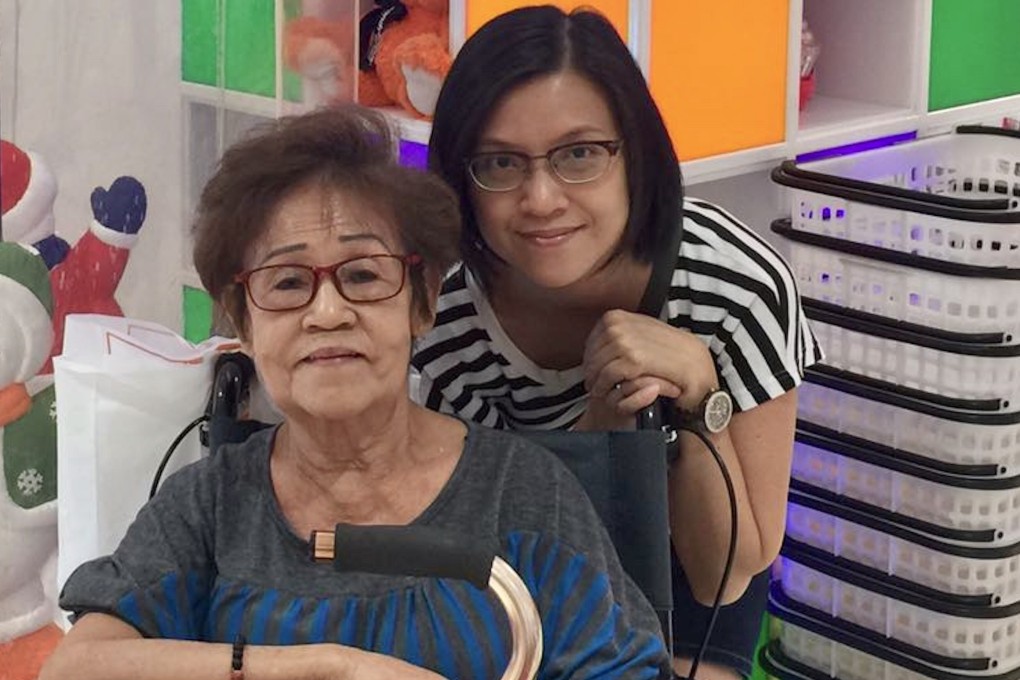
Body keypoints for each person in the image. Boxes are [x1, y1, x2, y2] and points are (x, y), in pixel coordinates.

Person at [40, 106, 671, 680]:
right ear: (244, 321)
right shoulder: (213, 504)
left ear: (420, 304)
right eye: (287, 282)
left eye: (363, 275)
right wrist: (322, 668)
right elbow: (76, 669)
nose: (327, 311)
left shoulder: (523, 494)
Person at [411, 6, 823, 679]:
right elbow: (490, 554)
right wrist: (598, 432)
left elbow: (727, 574)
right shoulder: (447, 314)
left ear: (636, 150)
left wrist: (697, 400)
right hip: (523, 574)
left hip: (691, 571)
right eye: (500, 163)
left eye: (578, 154)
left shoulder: (735, 284)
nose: (541, 198)